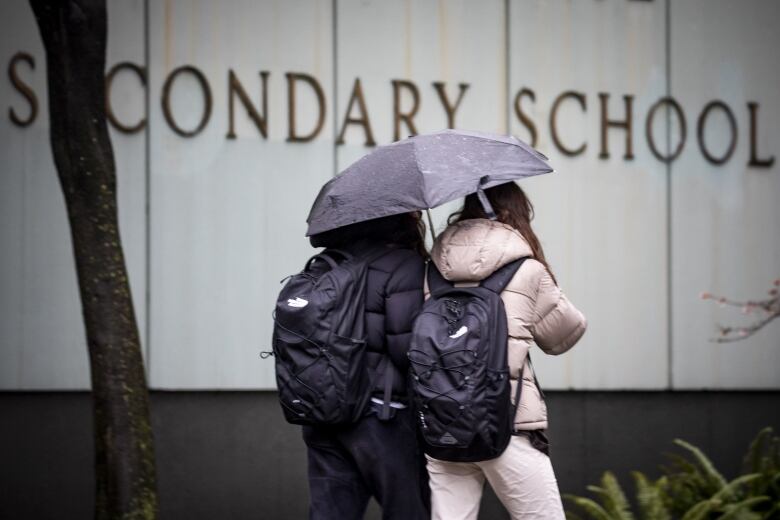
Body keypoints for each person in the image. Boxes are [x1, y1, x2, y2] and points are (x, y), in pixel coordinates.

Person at [424, 182, 587, 520]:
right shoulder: (526, 268)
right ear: (516, 212)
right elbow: (563, 336)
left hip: (442, 421)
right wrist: (547, 282)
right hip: (506, 421)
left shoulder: (432, 269)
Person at [302, 212, 430, 520]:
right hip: (381, 415)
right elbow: (406, 349)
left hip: (323, 412)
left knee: (330, 514)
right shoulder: (403, 265)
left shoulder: (325, 265)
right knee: (408, 511)